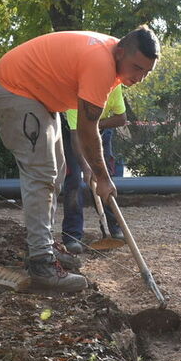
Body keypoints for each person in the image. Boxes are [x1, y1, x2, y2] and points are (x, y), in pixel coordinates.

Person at [0, 27, 159, 291]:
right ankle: (41, 264)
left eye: (147, 72)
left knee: (57, 172)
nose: (140, 77)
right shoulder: (100, 63)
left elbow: (86, 127)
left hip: (39, 98)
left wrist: (97, 173)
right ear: (121, 52)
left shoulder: (112, 58)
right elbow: (88, 130)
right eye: (137, 68)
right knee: (41, 174)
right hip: (16, 90)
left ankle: (42, 247)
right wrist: (103, 178)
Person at [60, 85, 126, 254]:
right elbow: (76, 135)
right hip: (72, 135)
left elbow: (121, 118)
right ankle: (72, 235)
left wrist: (92, 124)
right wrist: (85, 167)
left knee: (105, 177)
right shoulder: (78, 93)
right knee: (74, 180)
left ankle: (113, 228)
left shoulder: (113, 85)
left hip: (101, 131)